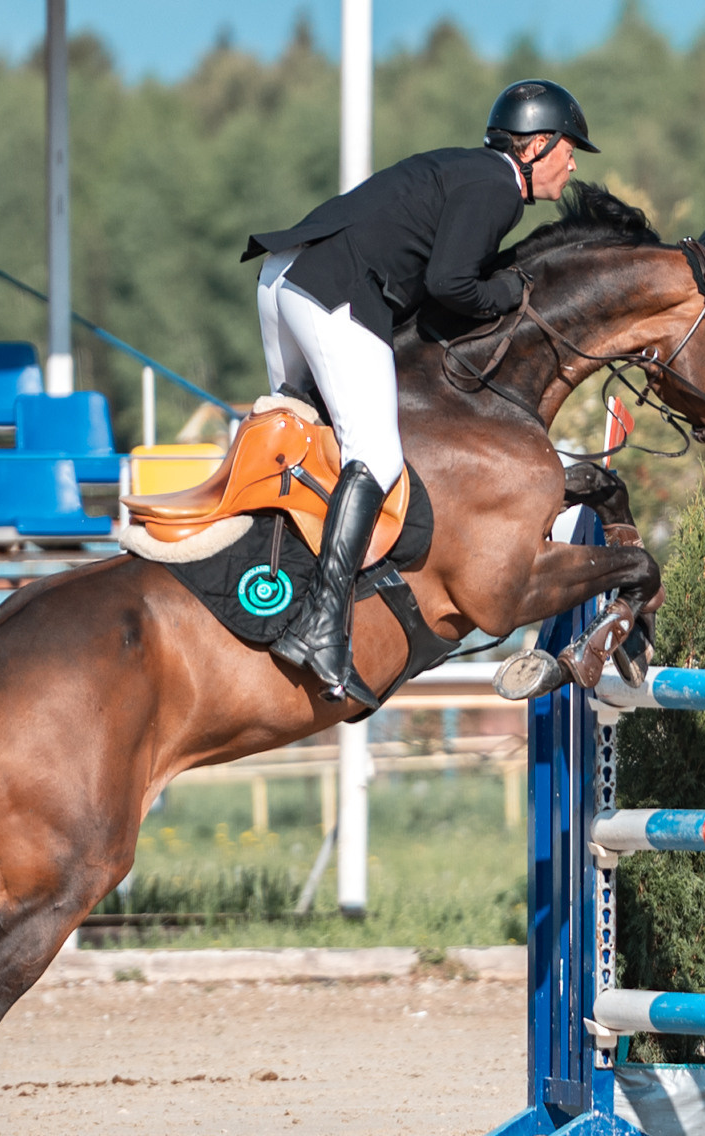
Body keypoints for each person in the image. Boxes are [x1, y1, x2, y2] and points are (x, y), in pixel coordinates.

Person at [242, 79, 598, 706]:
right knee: (373, 458)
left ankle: (270, 585)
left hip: (285, 277)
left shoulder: (466, 171)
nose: (573, 164)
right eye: (569, 148)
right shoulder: (496, 187)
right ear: (538, 144)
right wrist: (510, 295)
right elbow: (452, 284)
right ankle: (323, 628)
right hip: (335, 290)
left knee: (309, 445)